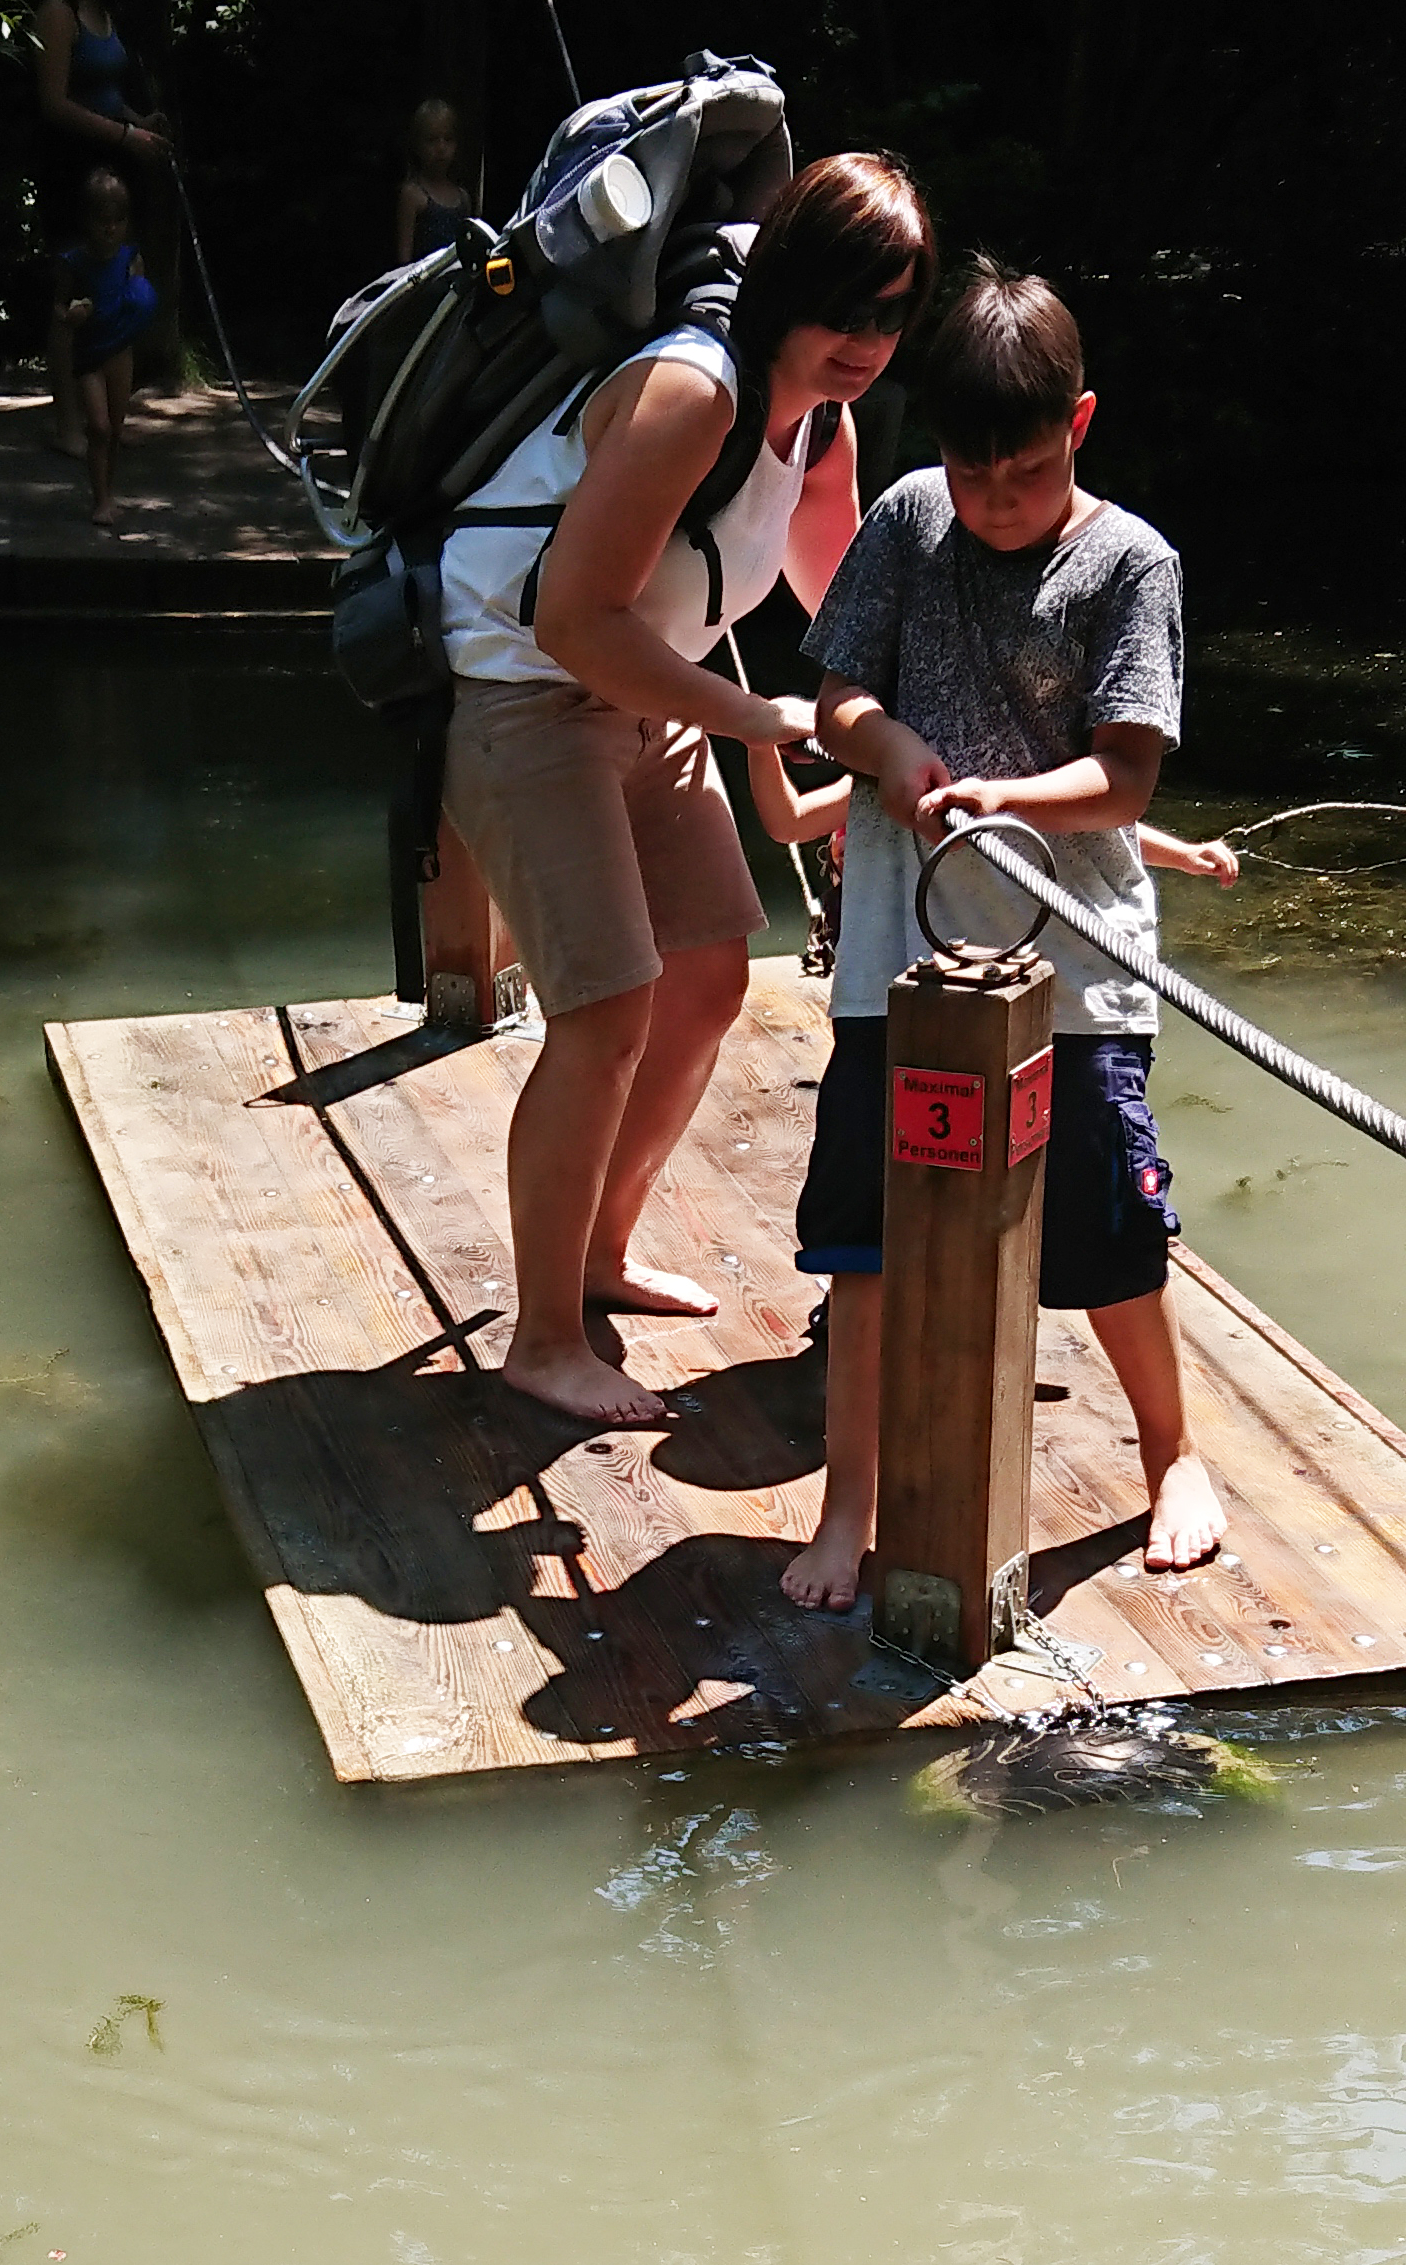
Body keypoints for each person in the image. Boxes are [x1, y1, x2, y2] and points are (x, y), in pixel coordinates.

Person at [438, 149, 937, 1429]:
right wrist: (759, 716)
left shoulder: (819, 422)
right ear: (786, 286)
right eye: (843, 307)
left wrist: (922, 736)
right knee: (606, 1010)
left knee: (709, 976)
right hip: (530, 696)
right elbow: (573, 620)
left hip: (651, 696)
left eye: (892, 314)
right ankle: (544, 1339)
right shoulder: (692, 392)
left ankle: (599, 1255)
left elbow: (848, 598)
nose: (865, 340)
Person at [784, 259, 1234, 1609]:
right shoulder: (907, 520)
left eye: (1026, 474)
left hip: (1078, 965)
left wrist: (1002, 797)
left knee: (1109, 1229)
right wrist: (891, 748)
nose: (994, 501)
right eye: (972, 473)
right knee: (864, 1237)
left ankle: (1173, 1454)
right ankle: (849, 1504)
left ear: (1078, 426)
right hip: (897, 960)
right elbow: (837, 702)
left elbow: (1127, 778)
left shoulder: (1130, 561)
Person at [35, 0, 168, 459]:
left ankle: (109, 421)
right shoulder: (59, 11)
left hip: (113, 169)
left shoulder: (107, 13)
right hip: (71, 171)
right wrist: (125, 136)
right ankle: (68, 425)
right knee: (72, 296)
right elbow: (54, 103)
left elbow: (105, 94)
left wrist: (137, 123)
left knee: (118, 289)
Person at [53, 170, 157, 526]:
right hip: (89, 355)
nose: (111, 229)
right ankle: (99, 501)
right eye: (103, 221)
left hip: (120, 352)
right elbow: (58, 307)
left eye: (119, 221)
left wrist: (139, 302)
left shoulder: (130, 258)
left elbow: (141, 300)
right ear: (87, 221)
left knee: (113, 428)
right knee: (97, 427)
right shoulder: (74, 262)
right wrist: (71, 315)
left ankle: (107, 495)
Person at [393, 96, 471, 268]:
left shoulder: (463, 198)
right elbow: (404, 260)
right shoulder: (413, 195)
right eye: (432, 140)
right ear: (417, 145)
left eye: (448, 139)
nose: (441, 148)